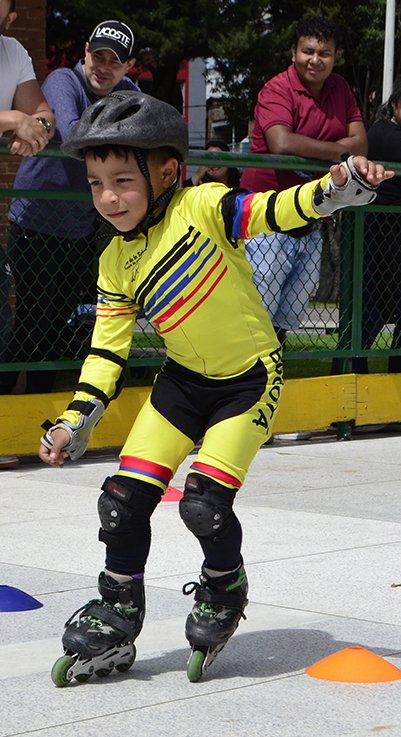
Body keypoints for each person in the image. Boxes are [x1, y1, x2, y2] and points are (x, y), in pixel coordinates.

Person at [38, 90, 390, 686]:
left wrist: (333, 191)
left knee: (203, 502)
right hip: (181, 384)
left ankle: (225, 588)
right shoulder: (113, 263)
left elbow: (273, 211)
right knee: (121, 503)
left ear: (168, 172)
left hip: (248, 381)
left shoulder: (202, 206)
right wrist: (77, 419)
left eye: (123, 180)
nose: (108, 198)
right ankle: (119, 607)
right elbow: (105, 352)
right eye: (97, 183)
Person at [1, 19, 139, 395]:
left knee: (58, 322)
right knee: (32, 319)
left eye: (114, 60)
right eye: (98, 55)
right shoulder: (64, 81)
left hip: (80, 226)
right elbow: (74, 135)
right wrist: (122, 147)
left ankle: (38, 404)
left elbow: (147, 132)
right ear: (86, 52)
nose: (103, 66)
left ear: (128, 66)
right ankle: (6, 405)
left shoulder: (127, 91)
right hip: (36, 221)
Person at [241, 16, 368, 347]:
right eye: (308, 51)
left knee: (288, 314)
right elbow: (281, 143)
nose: (315, 59)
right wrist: (339, 152)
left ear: (335, 56)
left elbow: (362, 144)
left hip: (311, 216)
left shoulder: (340, 88)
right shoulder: (277, 88)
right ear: (293, 52)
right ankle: (237, 385)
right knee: (256, 314)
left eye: (324, 53)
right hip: (265, 219)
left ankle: (270, 381)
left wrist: (326, 151)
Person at [0, 0, 54, 470]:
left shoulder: (13, 51)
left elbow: (41, 111)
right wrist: (9, 119)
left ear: (10, 16)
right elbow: (17, 114)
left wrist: (35, 127)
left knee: (1, 314)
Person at [349, 79, 401, 374]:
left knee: (373, 310)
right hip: (383, 232)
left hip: (384, 233)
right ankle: (351, 372)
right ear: (395, 104)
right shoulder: (385, 134)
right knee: (372, 311)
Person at [0, 0, 54, 157]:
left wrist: (35, 129)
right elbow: (18, 119)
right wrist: (15, 120)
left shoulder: (14, 52)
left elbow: (46, 116)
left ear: (9, 20)